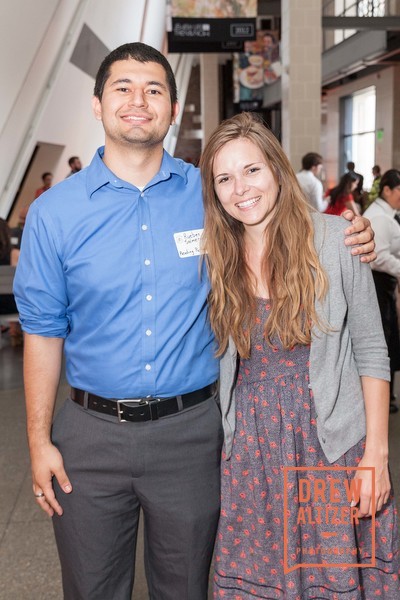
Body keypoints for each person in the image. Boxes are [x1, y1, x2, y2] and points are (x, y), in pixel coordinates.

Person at [13, 42, 376, 600]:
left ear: (173, 109)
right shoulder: (54, 213)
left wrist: (351, 234)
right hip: (89, 436)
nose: (139, 100)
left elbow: (275, 217)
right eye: (123, 88)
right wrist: (39, 441)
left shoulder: (207, 192)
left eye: (154, 89)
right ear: (96, 104)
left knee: (185, 588)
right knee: (90, 588)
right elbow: (41, 330)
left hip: (192, 435)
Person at [199, 112, 399, 599]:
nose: (240, 188)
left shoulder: (335, 239)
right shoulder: (215, 256)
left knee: (331, 578)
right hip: (250, 451)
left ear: (277, 169)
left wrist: (377, 453)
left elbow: (372, 348)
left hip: (329, 444)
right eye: (224, 178)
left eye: (252, 170)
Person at [364, 169, 400, 413]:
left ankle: (386, 396)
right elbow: (379, 257)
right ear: (387, 190)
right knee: (382, 341)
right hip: (377, 283)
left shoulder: (387, 213)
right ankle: (381, 398)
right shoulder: (378, 216)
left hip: (385, 283)